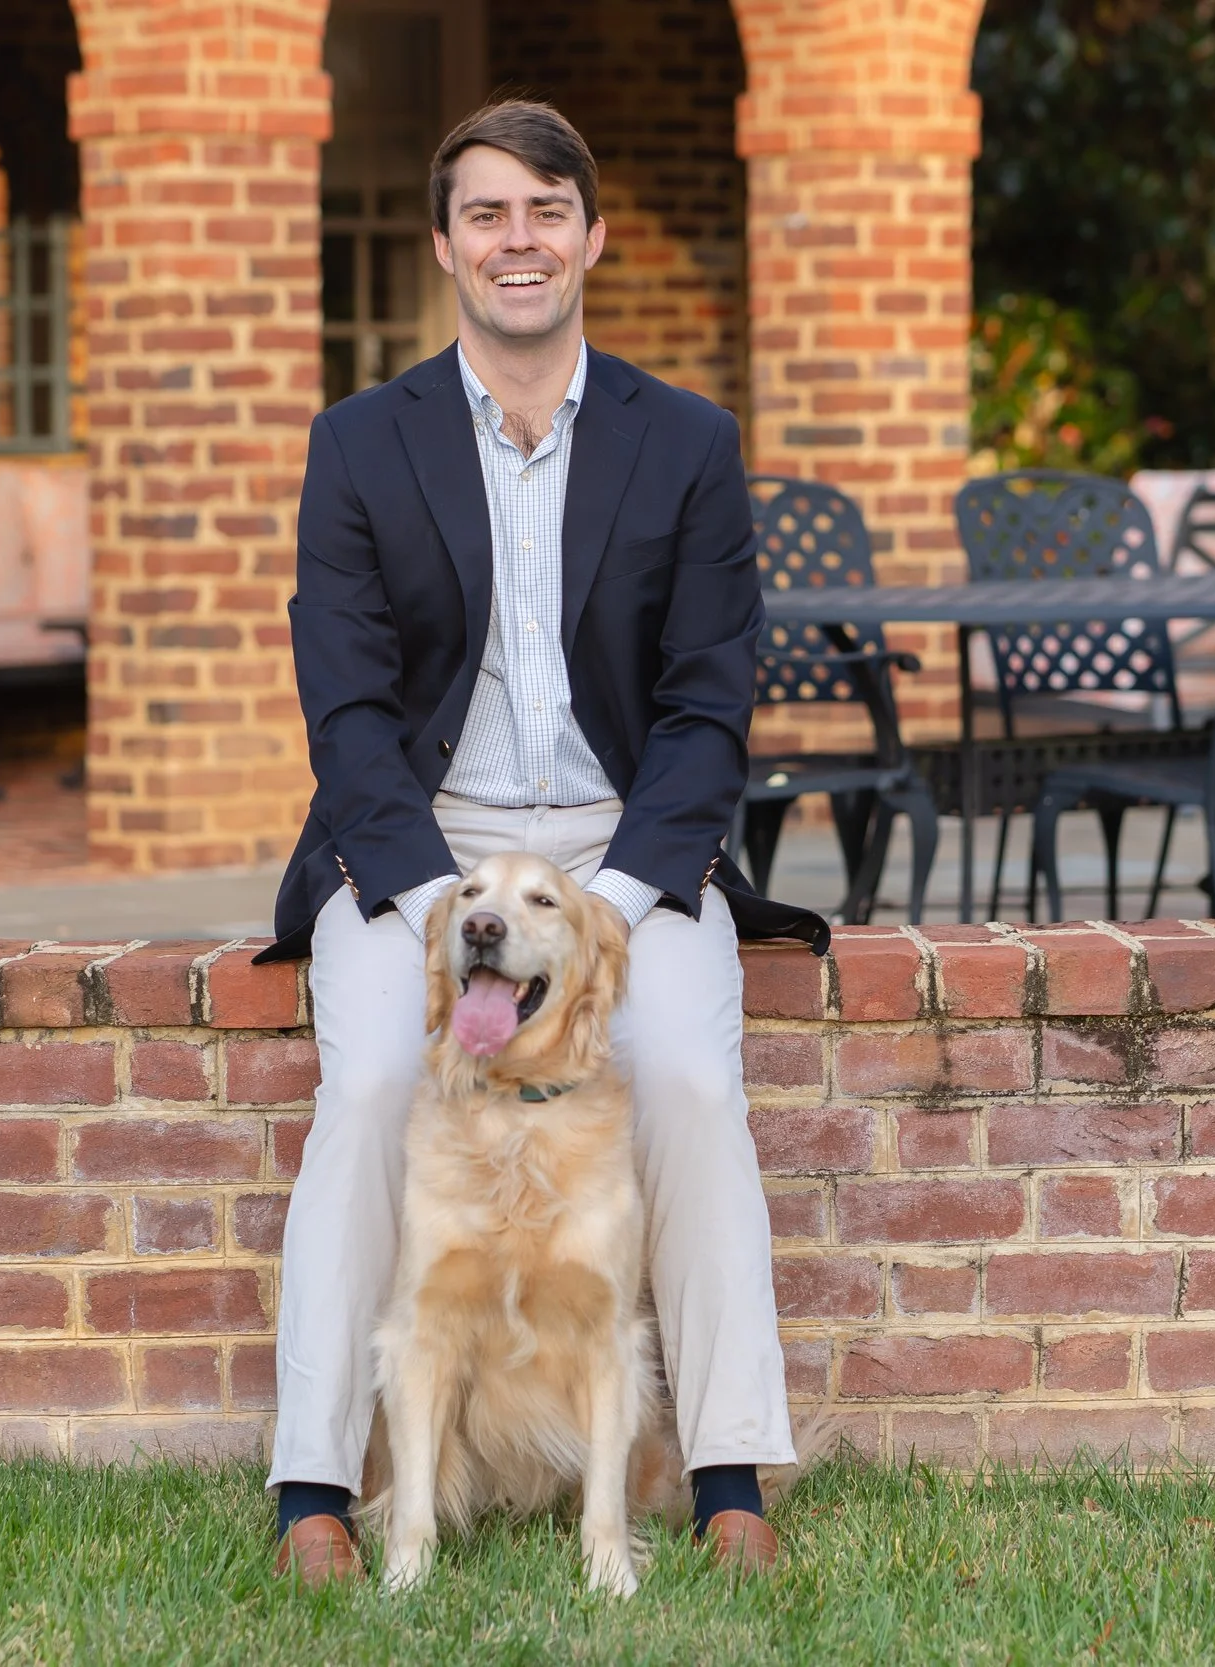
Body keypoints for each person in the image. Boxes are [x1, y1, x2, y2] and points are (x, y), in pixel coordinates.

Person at [255, 98, 828, 1588]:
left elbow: (710, 707)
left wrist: (610, 907)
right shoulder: (359, 445)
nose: (523, 240)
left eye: (548, 210)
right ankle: (314, 1482)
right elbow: (349, 710)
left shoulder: (687, 442)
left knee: (695, 1085)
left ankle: (725, 1473)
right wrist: (456, 913)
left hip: (621, 846)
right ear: (444, 243)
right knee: (379, 1077)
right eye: (490, 213)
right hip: (418, 845)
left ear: (593, 234)